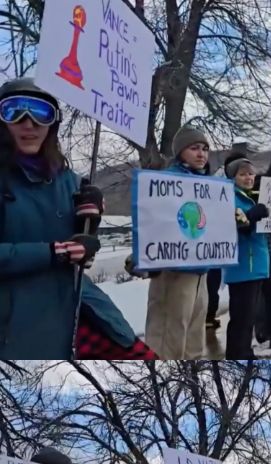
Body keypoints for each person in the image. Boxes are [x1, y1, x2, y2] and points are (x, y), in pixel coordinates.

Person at [0, 77, 149, 360]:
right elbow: (57, 251)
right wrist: (52, 253)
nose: (28, 123)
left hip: (81, 308)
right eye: (14, 111)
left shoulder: (70, 181)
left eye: (40, 112)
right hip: (16, 325)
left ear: (52, 123)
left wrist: (89, 228)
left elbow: (82, 251)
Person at [144, 126, 213, 360]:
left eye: (205, 149)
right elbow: (152, 219)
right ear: (180, 152)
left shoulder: (209, 185)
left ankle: (193, 375)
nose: (201, 154)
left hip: (200, 271)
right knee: (168, 336)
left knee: (194, 335)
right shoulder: (166, 181)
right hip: (173, 270)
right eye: (194, 148)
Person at [223, 157, 270, 359]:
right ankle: (238, 354)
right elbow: (234, 225)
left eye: (250, 173)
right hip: (243, 266)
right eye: (242, 174)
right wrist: (252, 215)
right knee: (241, 317)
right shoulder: (230, 197)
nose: (248, 177)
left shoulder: (252, 197)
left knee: (248, 316)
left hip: (256, 264)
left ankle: (245, 351)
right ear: (233, 177)